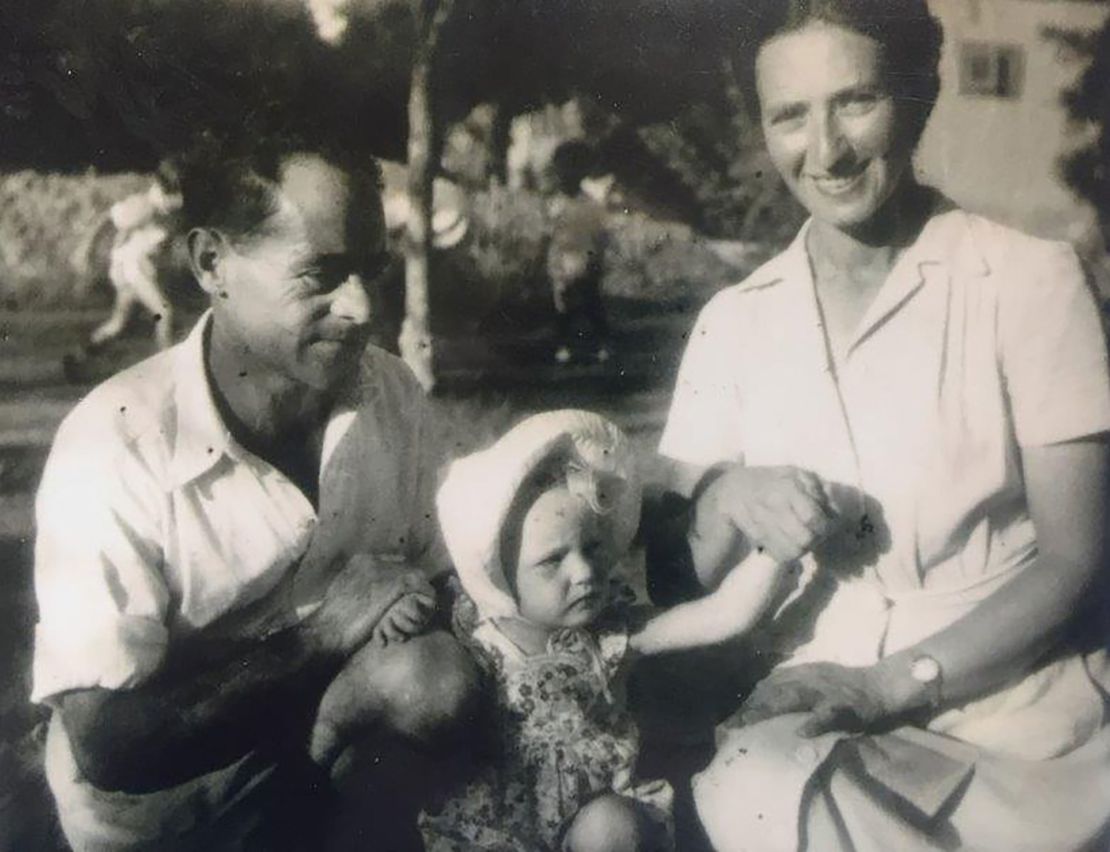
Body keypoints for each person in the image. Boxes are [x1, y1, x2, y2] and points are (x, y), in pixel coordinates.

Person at [652, 1, 1110, 849]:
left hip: (1020, 723)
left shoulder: (1028, 282)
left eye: (856, 102)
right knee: (757, 791)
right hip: (811, 721)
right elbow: (675, 580)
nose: (824, 152)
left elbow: (1080, 557)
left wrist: (892, 685)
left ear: (917, 94)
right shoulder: (735, 321)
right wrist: (724, 496)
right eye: (791, 115)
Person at [31, 136, 479, 851]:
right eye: (321, 275)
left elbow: (449, 578)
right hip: (167, 816)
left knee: (437, 678)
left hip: (328, 760)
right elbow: (108, 747)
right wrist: (326, 633)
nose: (361, 307)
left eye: (371, 270)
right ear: (212, 263)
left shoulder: (389, 394)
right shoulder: (114, 442)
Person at [421, 409, 789, 852]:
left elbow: (721, 615)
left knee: (611, 827)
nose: (583, 572)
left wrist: (776, 552)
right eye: (553, 561)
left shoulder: (610, 635)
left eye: (593, 547)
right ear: (498, 574)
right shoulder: (474, 639)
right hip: (494, 831)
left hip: (592, 823)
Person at [89, 160, 183, 351]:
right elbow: (109, 218)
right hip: (134, 268)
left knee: (119, 324)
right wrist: (88, 249)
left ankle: (81, 357)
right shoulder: (147, 203)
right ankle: (166, 365)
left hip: (138, 268)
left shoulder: (170, 202)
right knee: (164, 313)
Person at [545, 142, 613, 365]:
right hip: (562, 261)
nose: (566, 177)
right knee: (563, 305)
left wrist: (598, 259)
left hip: (586, 257)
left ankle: (602, 343)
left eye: (573, 172)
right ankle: (563, 345)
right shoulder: (554, 203)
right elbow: (550, 236)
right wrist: (553, 262)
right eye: (563, 172)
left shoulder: (592, 204)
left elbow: (601, 234)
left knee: (591, 302)